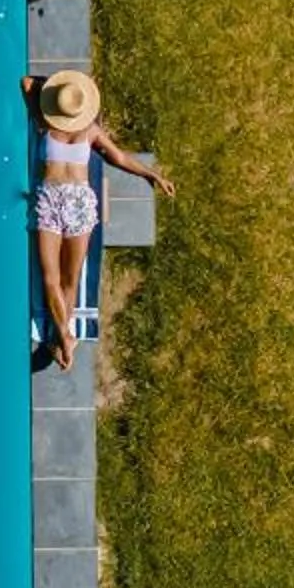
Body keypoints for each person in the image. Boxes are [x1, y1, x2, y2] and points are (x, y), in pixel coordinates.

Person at [21, 70, 175, 370]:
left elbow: (119, 157)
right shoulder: (81, 129)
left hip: (57, 199)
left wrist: (151, 174)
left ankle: (58, 337)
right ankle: (64, 336)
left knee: (63, 278)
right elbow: (26, 83)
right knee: (58, 278)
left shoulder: (45, 122)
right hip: (61, 201)